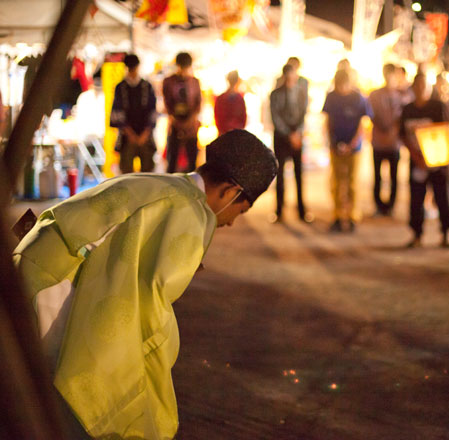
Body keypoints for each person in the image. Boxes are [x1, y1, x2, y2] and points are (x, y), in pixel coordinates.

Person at [12, 129, 277, 439]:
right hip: (46, 293)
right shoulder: (189, 213)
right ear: (232, 191)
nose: (231, 222)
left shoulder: (162, 184)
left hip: (25, 269)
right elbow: (146, 305)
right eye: (241, 210)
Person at [400, 72, 449, 248]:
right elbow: (403, 135)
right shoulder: (407, 109)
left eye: (425, 86)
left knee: (442, 197)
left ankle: (446, 233)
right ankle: (416, 234)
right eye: (418, 86)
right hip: (417, 160)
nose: (421, 90)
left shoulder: (438, 107)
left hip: (437, 161)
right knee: (416, 198)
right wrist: (416, 156)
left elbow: (447, 131)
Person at [322, 69, 373, 232]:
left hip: (354, 147)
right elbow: (328, 121)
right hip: (336, 145)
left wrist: (352, 144)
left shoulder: (358, 98)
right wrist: (333, 142)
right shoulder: (331, 97)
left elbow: (362, 123)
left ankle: (352, 216)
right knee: (337, 182)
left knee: (352, 182)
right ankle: (337, 215)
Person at [270, 64, 311, 223]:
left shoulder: (301, 93)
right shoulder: (275, 94)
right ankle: (279, 210)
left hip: (297, 136)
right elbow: (276, 117)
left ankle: (301, 210)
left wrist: (298, 133)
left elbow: (304, 113)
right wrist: (289, 134)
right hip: (282, 138)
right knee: (280, 175)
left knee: (299, 174)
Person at [110, 54, 158, 174]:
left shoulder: (147, 86)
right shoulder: (120, 88)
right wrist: (129, 133)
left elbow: (152, 111)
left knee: (148, 172)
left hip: (145, 135)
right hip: (126, 136)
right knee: (126, 172)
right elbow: (117, 112)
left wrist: (145, 133)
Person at [368, 63, 403, 216]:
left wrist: (393, 129)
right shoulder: (375, 95)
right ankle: (379, 205)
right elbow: (371, 114)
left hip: (394, 143)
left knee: (394, 177)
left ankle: (391, 206)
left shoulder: (402, 96)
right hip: (378, 142)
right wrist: (383, 127)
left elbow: (402, 118)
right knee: (378, 176)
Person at [163, 52, 202, 173]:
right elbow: (167, 103)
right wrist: (175, 121)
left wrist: (190, 121)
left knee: (192, 161)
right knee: (172, 160)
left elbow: (198, 104)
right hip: (175, 125)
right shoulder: (169, 82)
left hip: (191, 127)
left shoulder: (194, 82)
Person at [214, 70, 246, 135]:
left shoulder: (221, 98)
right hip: (236, 134)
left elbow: (217, 117)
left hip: (223, 134)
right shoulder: (240, 99)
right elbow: (243, 119)